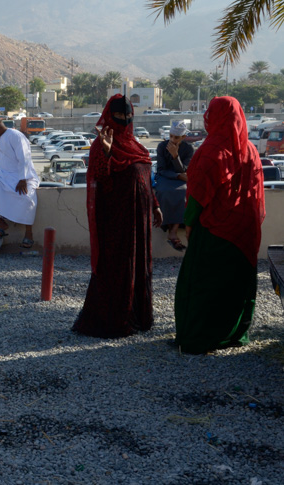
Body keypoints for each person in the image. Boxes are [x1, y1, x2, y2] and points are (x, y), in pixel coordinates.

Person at [174, 96, 265, 354]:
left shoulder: (211, 150)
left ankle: (199, 337)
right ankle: (234, 333)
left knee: (204, 284)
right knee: (236, 283)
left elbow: (197, 195)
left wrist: (189, 225)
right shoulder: (250, 150)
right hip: (244, 231)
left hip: (213, 231)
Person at [72, 94, 163, 338]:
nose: (124, 120)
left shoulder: (137, 147)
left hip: (139, 220)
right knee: (117, 267)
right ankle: (114, 319)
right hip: (115, 222)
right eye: (119, 116)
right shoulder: (100, 145)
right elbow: (100, 180)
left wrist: (154, 205)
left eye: (128, 115)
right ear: (109, 116)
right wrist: (108, 153)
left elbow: (145, 180)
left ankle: (138, 316)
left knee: (138, 264)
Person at [0, 115, 39, 249]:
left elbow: (24, 158)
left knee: (27, 198)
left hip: (23, 176)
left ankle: (28, 234)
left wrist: (22, 179)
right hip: (4, 177)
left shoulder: (15, 135)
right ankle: (1, 222)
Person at [154, 120, 194, 251]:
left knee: (182, 192)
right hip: (166, 177)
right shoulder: (162, 146)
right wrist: (177, 176)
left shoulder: (188, 149)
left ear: (183, 137)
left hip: (181, 179)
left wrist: (175, 156)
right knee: (164, 191)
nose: (172, 139)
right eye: (171, 136)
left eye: (176, 137)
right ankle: (171, 232)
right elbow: (161, 169)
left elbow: (184, 169)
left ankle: (173, 231)